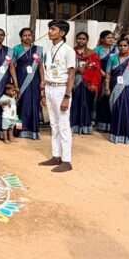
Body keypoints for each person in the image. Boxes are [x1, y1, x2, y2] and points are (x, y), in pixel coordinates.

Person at [40, 20, 76, 172]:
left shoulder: (68, 50)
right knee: (53, 124)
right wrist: (43, 92)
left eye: (53, 29)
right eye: (49, 29)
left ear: (62, 33)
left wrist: (67, 96)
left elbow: (72, 74)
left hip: (62, 89)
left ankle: (66, 160)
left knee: (63, 124)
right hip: (49, 87)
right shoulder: (48, 51)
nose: (49, 31)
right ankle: (56, 155)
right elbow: (47, 70)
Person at [105, 36, 129, 145]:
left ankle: (128, 136)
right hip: (115, 88)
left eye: (125, 45)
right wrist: (107, 87)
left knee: (128, 111)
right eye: (120, 46)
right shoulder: (112, 59)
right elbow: (108, 74)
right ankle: (116, 135)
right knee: (116, 110)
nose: (122, 48)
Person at [12, 28, 45, 140]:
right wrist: (16, 84)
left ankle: (33, 131)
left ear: (32, 36)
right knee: (21, 106)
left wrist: (42, 81)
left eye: (29, 35)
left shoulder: (38, 49)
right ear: (21, 37)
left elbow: (40, 66)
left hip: (34, 82)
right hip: (21, 81)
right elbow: (12, 67)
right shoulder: (16, 49)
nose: (27, 37)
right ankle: (20, 131)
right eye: (25, 35)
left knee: (34, 105)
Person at [70, 32, 102, 136]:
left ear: (87, 40)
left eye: (83, 39)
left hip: (87, 82)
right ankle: (73, 125)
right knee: (74, 103)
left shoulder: (92, 54)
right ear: (76, 39)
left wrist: (86, 71)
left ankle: (85, 126)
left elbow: (96, 69)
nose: (81, 40)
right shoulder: (71, 52)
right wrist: (76, 70)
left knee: (85, 103)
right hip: (73, 80)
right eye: (79, 38)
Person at [93, 30, 115, 132]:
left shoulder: (116, 50)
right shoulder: (97, 50)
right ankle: (100, 123)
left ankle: (111, 123)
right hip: (100, 78)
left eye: (112, 37)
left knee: (112, 99)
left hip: (113, 78)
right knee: (101, 99)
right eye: (108, 37)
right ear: (102, 39)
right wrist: (102, 73)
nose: (111, 39)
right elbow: (94, 63)